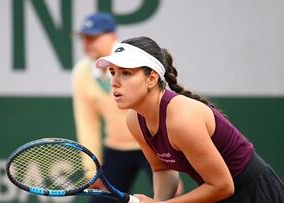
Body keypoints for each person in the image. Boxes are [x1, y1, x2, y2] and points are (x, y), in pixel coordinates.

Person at [95, 36, 284, 202]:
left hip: (257, 194)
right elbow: (162, 169)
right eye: (112, 72)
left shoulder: (182, 118)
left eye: (126, 73)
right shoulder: (134, 120)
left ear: (152, 79)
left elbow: (223, 186)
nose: (114, 82)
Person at [71, 13, 155, 203]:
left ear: (113, 35)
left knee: (168, 197)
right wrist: (91, 170)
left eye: (93, 37)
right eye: (84, 38)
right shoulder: (81, 73)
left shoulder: (134, 64)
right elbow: (87, 123)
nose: (87, 43)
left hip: (152, 143)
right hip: (117, 148)